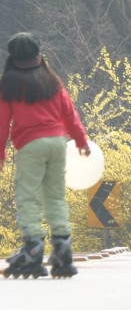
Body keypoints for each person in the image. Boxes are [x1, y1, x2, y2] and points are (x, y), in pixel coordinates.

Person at [1, 32, 91, 279]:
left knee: (28, 196)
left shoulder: (8, 84)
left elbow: (2, 123)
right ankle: (62, 247)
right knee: (54, 195)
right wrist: (81, 141)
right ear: (39, 55)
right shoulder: (52, 81)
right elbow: (69, 113)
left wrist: (1, 154)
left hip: (30, 145)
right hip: (57, 143)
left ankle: (32, 247)